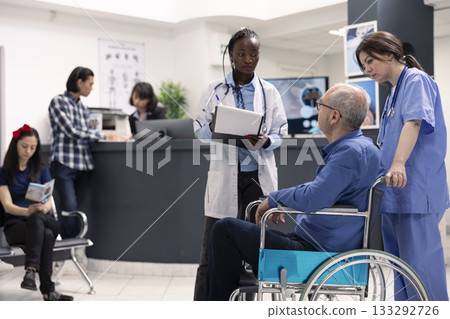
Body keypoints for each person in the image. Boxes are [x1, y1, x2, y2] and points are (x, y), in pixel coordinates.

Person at [204, 83, 383, 301]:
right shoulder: (363, 148)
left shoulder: (349, 153)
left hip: (317, 254)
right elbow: (318, 191)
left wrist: (274, 199)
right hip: (318, 244)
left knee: (225, 229)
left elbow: (315, 197)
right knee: (235, 238)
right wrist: (279, 201)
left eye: (320, 105)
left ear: (334, 116)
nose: (317, 109)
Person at [193, 28, 288, 300]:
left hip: (258, 181)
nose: (248, 59)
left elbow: (281, 131)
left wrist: (266, 140)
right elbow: (198, 132)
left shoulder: (269, 92)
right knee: (210, 255)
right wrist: (211, 127)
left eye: (254, 54)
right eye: (242, 53)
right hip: (225, 179)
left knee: (254, 255)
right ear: (231, 55)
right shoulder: (213, 90)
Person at [356, 31, 449, 301]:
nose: (367, 69)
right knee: (400, 270)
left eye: (370, 61)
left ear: (388, 53)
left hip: (416, 190)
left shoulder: (416, 80)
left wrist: (398, 163)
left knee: (421, 269)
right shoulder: (394, 91)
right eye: (364, 65)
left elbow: (415, 122)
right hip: (394, 193)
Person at [0, 124, 73, 301]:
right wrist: (27, 210)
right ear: (15, 144)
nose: (28, 151)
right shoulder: (4, 172)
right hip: (16, 226)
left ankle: (31, 272)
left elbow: (48, 202)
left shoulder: (42, 170)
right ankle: (48, 290)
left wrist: (43, 208)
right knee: (47, 235)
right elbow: (7, 205)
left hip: (41, 220)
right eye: (24, 146)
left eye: (33, 147)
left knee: (40, 219)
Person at [48, 66, 117, 238]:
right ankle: (71, 250)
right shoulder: (58, 102)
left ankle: (68, 251)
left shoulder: (83, 108)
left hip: (84, 166)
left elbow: (87, 133)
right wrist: (104, 136)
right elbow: (72, 131)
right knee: (69, 210)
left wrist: (105, 136)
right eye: (90, 84)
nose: (92, 88)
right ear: (79, 82)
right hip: (65, 165)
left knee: (76, 211)